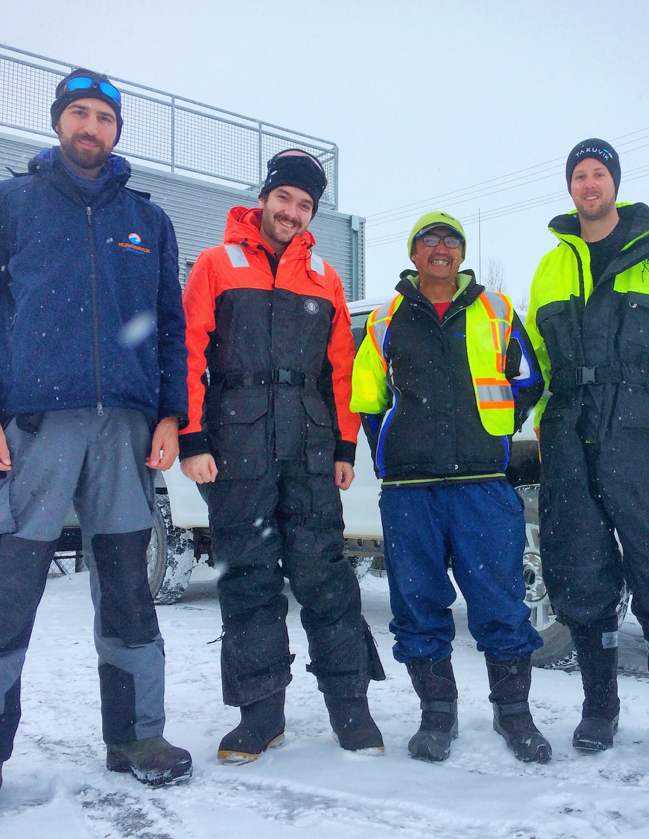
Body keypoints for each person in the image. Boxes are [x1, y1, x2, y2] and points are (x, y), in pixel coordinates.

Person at [0, 68, 192, 812]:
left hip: (123, 429)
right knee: (6, 592)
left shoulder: (148, 221)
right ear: (59, 122)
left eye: (104, 118)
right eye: (78, 114)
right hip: (33, 431)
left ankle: (137, 735)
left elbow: (171, 329)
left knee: (126, 591)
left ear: (117, 131)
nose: (91, 127)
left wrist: (171, 415)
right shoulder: (6, 204)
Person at [179, 149, 385, 762]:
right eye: (284, 199)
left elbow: (341, 369)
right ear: (264, 198)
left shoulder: (324, 277)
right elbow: (187, 352)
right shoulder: (216, 265)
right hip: (237, 447)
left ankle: (351, 707)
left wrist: (346, 444)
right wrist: (192, 438)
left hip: (311, 446)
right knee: (248, 578)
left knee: (325, 576)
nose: (291, 212)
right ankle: (260, 714)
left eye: (305, 205)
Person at [526, 138, 649, 766]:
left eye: (598, 174)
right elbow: (532, 352)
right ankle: (599, 706)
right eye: (579, 175)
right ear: (570, 187)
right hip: (568, 433)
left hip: (644, 428)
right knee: (580, 568)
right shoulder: (551, 265)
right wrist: (531, 424)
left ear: (615, 181)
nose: (590, 184)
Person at [351, 212, 550, 764]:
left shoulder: (499, 311)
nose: (440, 249)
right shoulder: (387, 318)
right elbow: (367, 397)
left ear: (461, 254)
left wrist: (493, 431)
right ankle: (438, 713)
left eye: (450, 241)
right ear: (414, 253)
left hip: (482, 484)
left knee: (501, 603)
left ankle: (515, 715)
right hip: (410, 491)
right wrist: (389, 447)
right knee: (417, 604)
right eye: (429, 240)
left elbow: (529, 381)